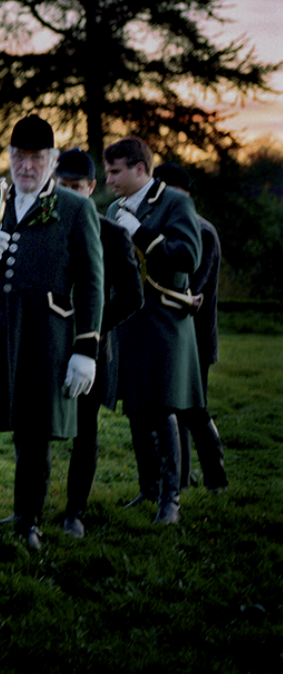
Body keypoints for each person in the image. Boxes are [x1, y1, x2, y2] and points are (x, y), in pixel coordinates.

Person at [0, 115, 103, 551]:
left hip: (45, 337)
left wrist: (86, 349)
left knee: (34, 432)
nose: (26, 166)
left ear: (52, 160)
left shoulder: (76, 207)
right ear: (8, 157)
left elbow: (92, 282)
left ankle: (28, 522)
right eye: (19, 156)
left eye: (36, 158)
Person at [105, 138, 205, 524]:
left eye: (116, 171)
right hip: (129, 320)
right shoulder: (114, 208)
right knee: (135, 408)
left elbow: (187, 257)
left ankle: (171, 500)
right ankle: (148, 489)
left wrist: (141, 232)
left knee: (162, 407)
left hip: (163, 320)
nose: (109, 179)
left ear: (141, 169)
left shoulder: (174, 203)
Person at [54, 149, 144, 538]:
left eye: (78, 187)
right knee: (32, 427)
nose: (71, 194)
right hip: (44, 343)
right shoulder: (45, 227)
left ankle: (75, 513)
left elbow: (132, 296)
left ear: (91, 188)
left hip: (92, 346)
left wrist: (90, 330)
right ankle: (26, 510)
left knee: (85, 432)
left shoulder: (113, 234)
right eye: (63, 186)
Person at [151, 162, 227, 492]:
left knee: (194, 410)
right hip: (172, 335)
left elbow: (192, 286)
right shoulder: (169, 227)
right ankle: (180, 480)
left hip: (195, 336)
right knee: (173, 409)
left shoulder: (201, 231)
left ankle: (215, 477)